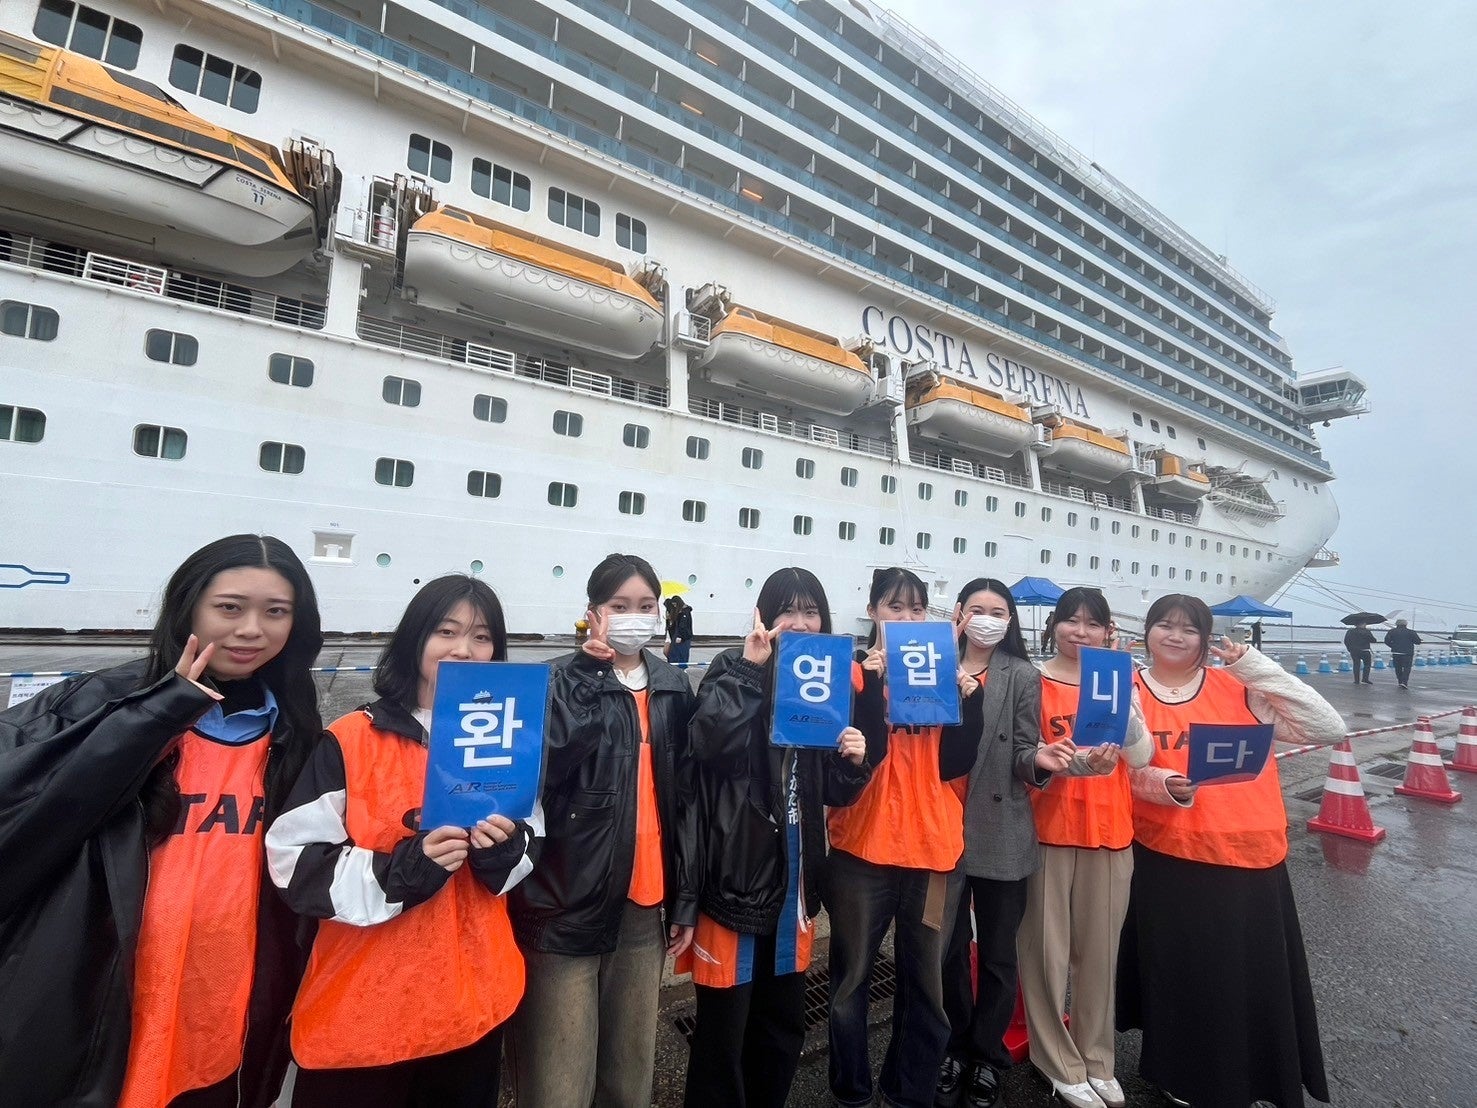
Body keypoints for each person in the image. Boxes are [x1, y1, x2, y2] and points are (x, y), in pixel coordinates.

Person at [0, 534, 323, 1108]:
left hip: (223, 1007)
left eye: (276, 612)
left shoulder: (295, 729)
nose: (252, 630)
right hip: (99, 1002)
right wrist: (160, 711)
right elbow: (28, 822)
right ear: (189, 606)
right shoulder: (96, 703)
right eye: (230, 607)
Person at [266, 575, 540, 1105]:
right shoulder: (350, 737)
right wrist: (401, 871)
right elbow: (293, 862)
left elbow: (532, 844)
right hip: (363, 1015)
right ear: (415, 637)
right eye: (446, 630)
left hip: (472, 1004)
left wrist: (504, 851)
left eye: (482, 637)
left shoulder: (510, 738)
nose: (464, 649)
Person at [1118, 594, 1342, 1108]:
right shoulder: (1127, 689)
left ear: (1206, 639)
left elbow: (1327, 727)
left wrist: (1254, 664)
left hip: (1248, 850)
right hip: (1167, 853)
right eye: (1164, 625)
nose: (1175, 636)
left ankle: (1252, 1074)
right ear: (1147, 632)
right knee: (1178, 972)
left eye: (1189, 629)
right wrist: (1161, 784)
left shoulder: (1239, 686)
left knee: (1243, 975)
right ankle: (1178, 1073)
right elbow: (1119, 767)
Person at [680, 568, 877, 1108]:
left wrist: (855, 760)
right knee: (723, 1032)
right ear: (765, 616)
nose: (800, 622)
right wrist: (750, 669)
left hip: (795, 885)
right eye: (787, 610)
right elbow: (706, 743)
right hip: (734, 882)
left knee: (782, 1026)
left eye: (810, 610)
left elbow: (830, 790)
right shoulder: (731, 667)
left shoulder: (824, 680)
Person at [510, 552, 698, 1108]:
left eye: (646, 607)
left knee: (629, 1073)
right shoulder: (557, 680)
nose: (634, 617)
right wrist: (589, 678)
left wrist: (685, 898)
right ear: (593, 613)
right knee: (557, 1081)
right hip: (564, 902)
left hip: (644, 903)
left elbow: (686, 801)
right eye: (620, 606)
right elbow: (546, 768)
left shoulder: (673, 686)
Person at [826, 567, 972, 1108]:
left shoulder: (943, 670)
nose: (907, 619)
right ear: (872, 611)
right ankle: (852, 1092)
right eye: (895, 608)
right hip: (861, 847)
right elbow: (840, 760)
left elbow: (958, 759)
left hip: (934, 848)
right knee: (848, 984)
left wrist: (968, 700)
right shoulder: (848, 672)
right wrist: (867, 687)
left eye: (917, 610)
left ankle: (908, 1091)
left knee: (926, 986)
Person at [936, 579, 1076, 1108]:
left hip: (1001, 826)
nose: (989, 619)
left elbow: (1023, 746)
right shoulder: (930, 665)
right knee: (947, 950)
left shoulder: (1021, 675)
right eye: (978, 609)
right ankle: (951, 1044)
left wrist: (1037, 762)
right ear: (960, 614)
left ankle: (986, 1053)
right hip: (941, 829)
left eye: (1000, 611)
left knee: (997, 954)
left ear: (1012, 621)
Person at [1018, 586, 1150, 1108]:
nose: (1080, 631)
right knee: (1045, 954)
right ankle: (1056, 1059)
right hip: (1049, 830)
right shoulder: (1033, 680)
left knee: (1100, 955)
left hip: (1111, 832)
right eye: (1070, 621)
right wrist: (1068, 763)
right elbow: (1022, 754)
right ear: (1053, 626)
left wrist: (1130, 701)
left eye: (1092, 624)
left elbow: (1139, 757)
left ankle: (1098, 1058)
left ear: (1107, 631)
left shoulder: (1118, 679)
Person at [1384, 618, 1422, 690]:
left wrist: (1393, 646)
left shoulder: (1392, 631)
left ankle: (1400, 681)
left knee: (1398, 668)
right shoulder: (1411, 632)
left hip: (1396, 652)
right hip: (1407, 653)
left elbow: (1386, 641)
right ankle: (1404, 682)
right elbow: (1418, 642)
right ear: (1406, 624)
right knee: (1407, 668)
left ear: (1396, 624)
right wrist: (1419, 640)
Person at [666, 595, 695, 667]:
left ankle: (680, 667)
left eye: (675, 604)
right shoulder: (681, 612)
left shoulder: (685, 612)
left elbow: (683, 625)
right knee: (675, 652)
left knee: (680, 653)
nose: (675, 606)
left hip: (683, 636)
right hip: (679, 635)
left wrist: (680, 636)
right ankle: (675, 666)